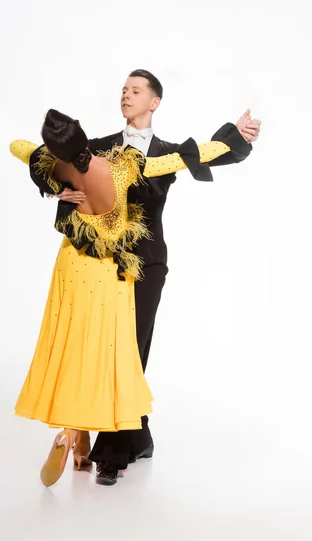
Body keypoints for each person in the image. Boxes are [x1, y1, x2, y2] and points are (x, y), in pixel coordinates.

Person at [25, 71, 262, 485]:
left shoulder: (167, 152)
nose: (126, 95)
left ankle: (111, 454)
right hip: (100, 266)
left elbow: (207, 153)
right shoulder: (97, 147)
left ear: (155, 102)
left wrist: (238, 137)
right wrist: (55, 190)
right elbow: (47, 159)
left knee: (131, 349)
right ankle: (139, 436)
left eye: (135, 91)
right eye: (123, 90)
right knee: (107, 351)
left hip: (147, 263)